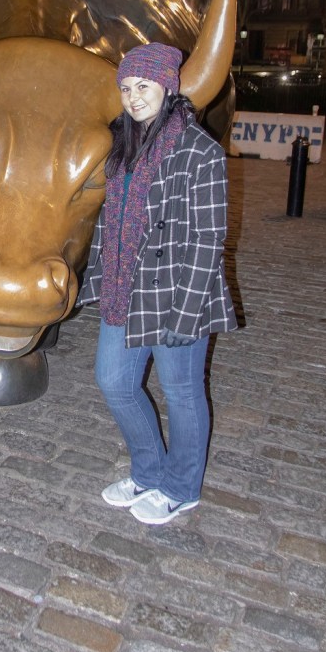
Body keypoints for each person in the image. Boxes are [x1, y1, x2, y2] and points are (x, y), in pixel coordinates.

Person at [82, 43, 237, 525]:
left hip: (176, 293)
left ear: (168, 86)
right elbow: (109, 221)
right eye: (126, 87)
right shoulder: (123, 145)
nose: (133, 96)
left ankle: (181, 486)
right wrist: (98, 276)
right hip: (125, 289)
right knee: (113, 381)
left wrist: (186, 314)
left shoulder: (200, 150)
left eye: (143, 85)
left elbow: (209, 238)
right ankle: (148, 471)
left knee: (182, 392)